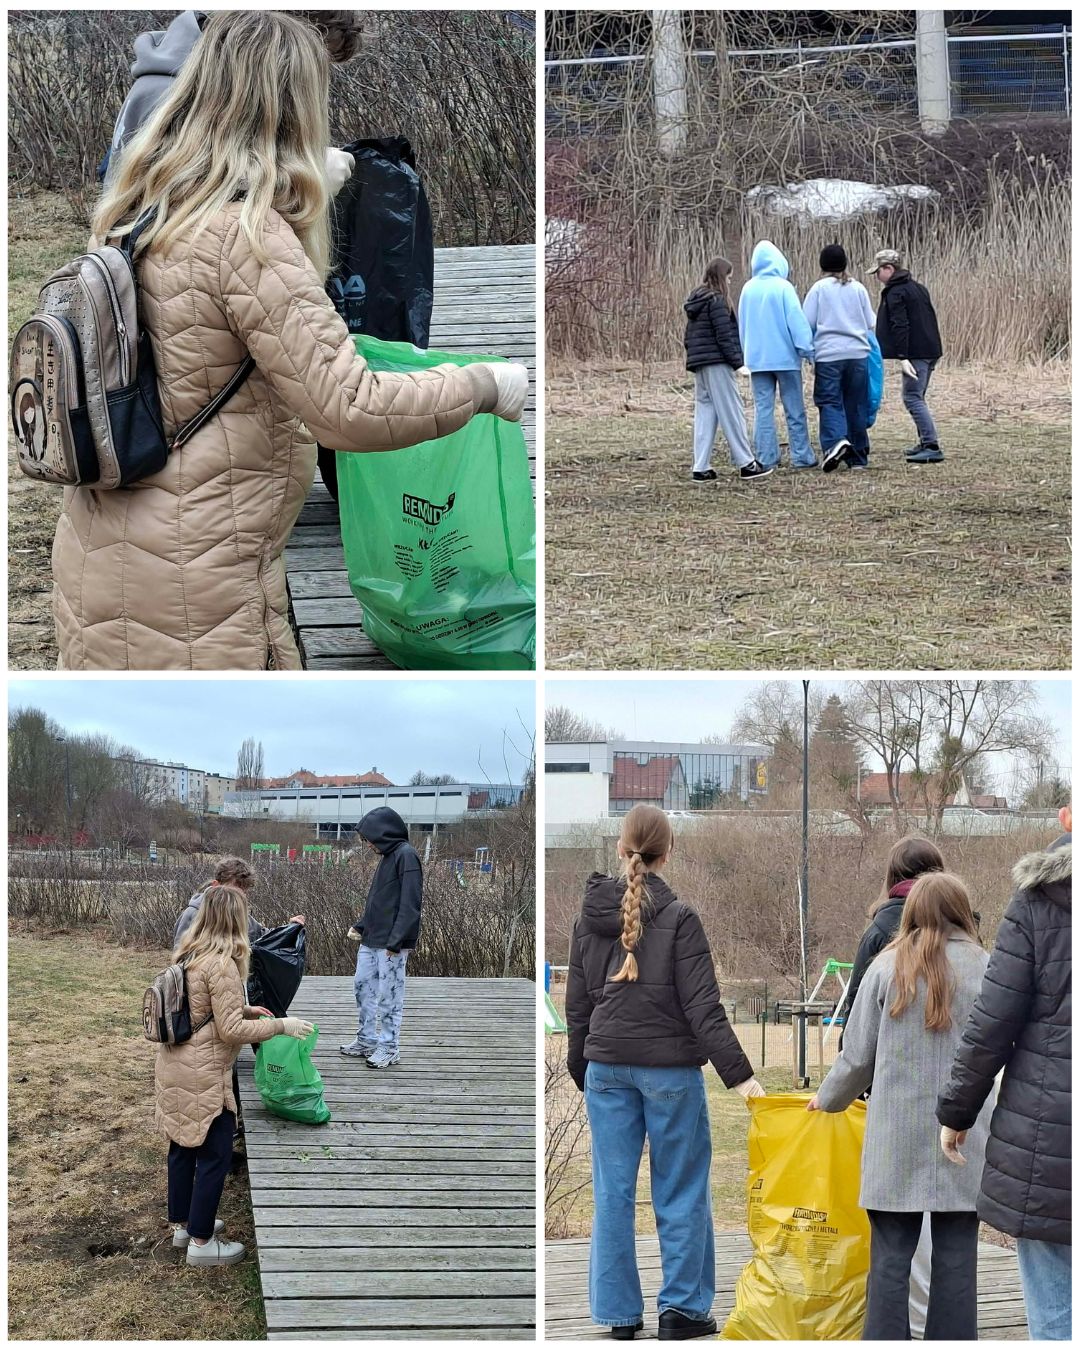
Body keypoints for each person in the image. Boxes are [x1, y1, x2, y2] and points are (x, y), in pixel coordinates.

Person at [52, 11, 528, 670]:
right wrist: (481, 384)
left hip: (105, 550)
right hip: (194, 580)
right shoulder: (243, 236)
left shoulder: (136, 209)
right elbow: (348, 408)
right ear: (289, 107)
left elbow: (215, 350)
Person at [565, 804, 764, 1341]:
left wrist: (581, 1064)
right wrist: (745, 1080)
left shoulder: (588, 918)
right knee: (681, 1191)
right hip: (670, 1073)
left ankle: (617, 1315)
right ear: (667, 852)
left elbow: (578, 1004)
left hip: (606, 1068)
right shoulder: (680, 918)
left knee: (611, 1192)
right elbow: (704, 1009)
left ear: (620, 848)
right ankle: (682, 1310)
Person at [809, 872, 993, 1341]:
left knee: (890, 1258)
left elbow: (857, 1056)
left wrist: (827, 1099)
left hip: (896, 1135)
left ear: (910, 913)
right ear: (961, 911)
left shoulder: (884, 969)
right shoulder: (985, 967)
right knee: (957, 1259)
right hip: (964, 1133)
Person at [937, 809, 1072, 1341]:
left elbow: (993, 1023)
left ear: (1067, 817)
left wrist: (956, 1112)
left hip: (1051, 1133)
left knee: (1056, 1305)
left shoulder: (1040, 901)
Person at [159, 883, 313, 1266]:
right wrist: (282, 1025)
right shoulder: (223, 964)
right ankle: (202, 1243)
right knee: (215, 1153)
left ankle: (184, 1225)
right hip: (204, 1071)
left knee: (181, 1145)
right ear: (235, 921)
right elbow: (230, 1032)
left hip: (176, 1063)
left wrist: (247, 1009)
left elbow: (201, 1009)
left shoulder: (189, 953)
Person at [834, 834, 945, 1337]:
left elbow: (856, 1021)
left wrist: (844, 1085)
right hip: (951, 1098)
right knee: (945, 1226)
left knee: (895, 1232)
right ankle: (935, 1324)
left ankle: (895, 1329)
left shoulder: (879, 932)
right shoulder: (963, 936)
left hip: (893, 1097)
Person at [103, 9, 362, 190]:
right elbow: (180, 208)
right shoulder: (174, 92)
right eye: (310, 55)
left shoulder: (218, 82)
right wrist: (303, 183)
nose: (311, 77)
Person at [340, 807, 422, 1069]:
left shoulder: (407, 856)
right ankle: (366, 1039)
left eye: (368, 839)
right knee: (362, 988)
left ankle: (389, 1046)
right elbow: (380, 901)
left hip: (391, 945)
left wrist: (396, 941)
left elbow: (410, 904)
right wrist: (362, 926)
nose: (367, 845)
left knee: (390, 995)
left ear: (382, 833)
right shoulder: (388, 857)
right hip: (371, 940)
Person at [682, 258, 772, 483]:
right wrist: (737, 363)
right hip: (717, 363)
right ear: (723, 277)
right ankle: (746, 463)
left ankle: (700, 466)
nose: (730, 281)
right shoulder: (718, 301)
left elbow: (689, 337)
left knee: (705, 412)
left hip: (700, 363)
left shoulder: (697, 300)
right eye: (729, 277)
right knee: (732, 411)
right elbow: (724, 335)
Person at [737, 241, 816, 470]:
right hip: (785, 359)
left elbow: (743, 325)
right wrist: (806, 348)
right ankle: (801, 455)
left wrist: (746, 354)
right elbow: (796, 321)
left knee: (763, 409)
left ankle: (766, 456)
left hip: (757, 359)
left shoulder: (747, 289)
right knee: (794, 408)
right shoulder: (783, 287)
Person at [802, 244, 876, 472]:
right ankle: (858, 457)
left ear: (822, 265)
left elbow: (807, 322)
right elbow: (871, 322)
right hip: (858, 354)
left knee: (829, 400)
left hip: (829, 355)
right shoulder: (858, 288)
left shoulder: (818, 289)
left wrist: (808, 351)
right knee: (855, 403)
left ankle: (835, 443)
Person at [866, 248, 944, 465]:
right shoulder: (918, 288)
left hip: (916, 353)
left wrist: (903, 356)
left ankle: (931, 445)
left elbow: (901, 325)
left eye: (878, 272)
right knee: (918, 396)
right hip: (930, 350)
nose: (877, 278)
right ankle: (924, 441)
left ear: (888, 269)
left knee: (912, 397)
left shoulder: (895, 292)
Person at [174, 856, 305, 948]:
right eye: (235, 890)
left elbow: (262, 936)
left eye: (244, 892)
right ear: (215, 885)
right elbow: (181, 955)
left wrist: (288, 928)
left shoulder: (239, 914)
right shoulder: (193, 914)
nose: (240, 896)